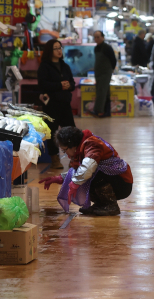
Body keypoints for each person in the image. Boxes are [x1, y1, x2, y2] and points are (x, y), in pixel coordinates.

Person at [38, 127, 133, 216]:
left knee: (90, 175)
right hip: (112, 180)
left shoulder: (92, 144)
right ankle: (101, 204)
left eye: (64, 150)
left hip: (122, 184)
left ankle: (110, 205)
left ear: (72, 145)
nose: (65, 153)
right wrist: (59, 178)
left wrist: (74, 184)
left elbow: (88, 168)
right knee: (83, 177)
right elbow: (78, 171)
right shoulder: (82, 146)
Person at [37, 39, 76, 170]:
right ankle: (55, 159)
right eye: (56, 48)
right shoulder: (44, 66)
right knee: (53, 133)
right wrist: (59, 85)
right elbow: (43, 84)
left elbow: (72, 84)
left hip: (65, 104)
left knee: (71, 133)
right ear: (50, 51)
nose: (59, 50)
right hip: (52, 105)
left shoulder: (65, 66)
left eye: (60, 48)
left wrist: (69, 85)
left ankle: (74, 159)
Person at [93, 31, 117, 118]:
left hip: (106, 72)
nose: (96, 39)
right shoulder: (96, 48)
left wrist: (111, 69)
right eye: (95, 37)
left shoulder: (107, 48)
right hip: (98, 73)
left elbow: (113, 60)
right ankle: (107, 112)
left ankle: (99, 111)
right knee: (105, 92)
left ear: (103, 37)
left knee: (101, 92)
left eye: (98, 37)